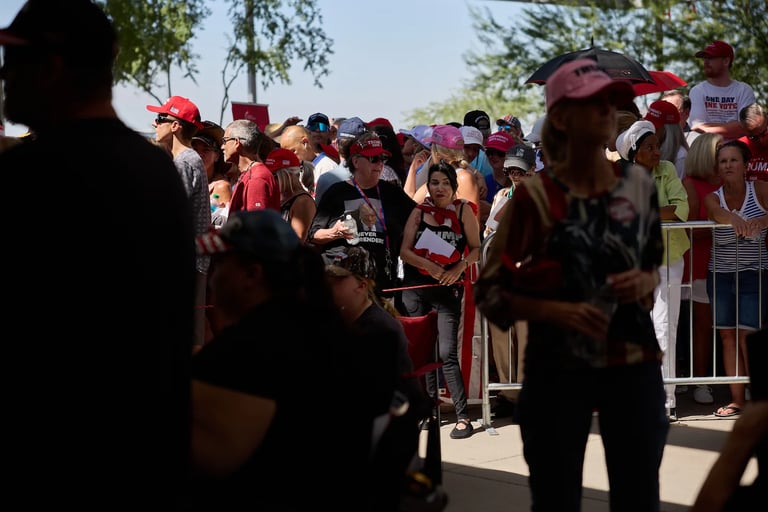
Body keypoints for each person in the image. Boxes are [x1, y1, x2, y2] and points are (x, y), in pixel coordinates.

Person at [0, 0, 195, 507]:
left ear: (53, 67)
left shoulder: (32, 178)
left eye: (14, 61)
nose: (5, 76)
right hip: (148, 457)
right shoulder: (154, 173)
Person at [475, 59, 668, 510]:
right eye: (593, 104)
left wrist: (642, 280)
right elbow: (489, 290)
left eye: (612, 103)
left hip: (632, 363)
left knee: (640, 498)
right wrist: (553, 310)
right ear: (560, 117)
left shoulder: (638, 184)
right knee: (556, 499)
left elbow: (652, 269)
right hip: (557, 371)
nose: (607, 112)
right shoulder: (536, 196)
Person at [190, 209, 369, 510]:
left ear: (251, 274)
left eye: (220, 263)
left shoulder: (243, 354)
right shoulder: (326, 333)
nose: (213, 276)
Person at [326, 245, 429, 511]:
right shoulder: (344, 321)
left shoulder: (377, 330)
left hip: (383, 438)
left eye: (336, 280)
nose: (326, 287)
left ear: (361, 286)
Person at [400, 161, 481, 439]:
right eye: (434, 183)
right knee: (423, 352)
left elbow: (476, 249)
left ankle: (462, 416)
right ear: (428, 187)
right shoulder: (418, 212)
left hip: (448, 289)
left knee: (446, 352)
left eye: (445, 183)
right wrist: (430, 266)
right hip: (417, 287)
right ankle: (428, 411)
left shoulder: (463, 210)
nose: (440, 188)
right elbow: (404, 252)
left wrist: (458, 267)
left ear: (453, 187)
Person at [616, 119, 690, 421]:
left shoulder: (668, 171)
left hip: (668, 258)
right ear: (634, 153)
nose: (657, 151)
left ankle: (665, 400)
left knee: (663, 327)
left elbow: (681, 209)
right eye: (649, 147)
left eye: (657, 145)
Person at [308, 130, 415, 304]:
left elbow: (417, 218)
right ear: (356, 161)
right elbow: (313, 235)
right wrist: (335, 232)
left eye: (382, 159)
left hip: (382, 285)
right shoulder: (336, 192)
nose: (379, 164)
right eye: (373, 159)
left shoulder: (392, 193)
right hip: (344, 284)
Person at [704, 140, 768, 418]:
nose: (728, 165)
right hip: (720, 275)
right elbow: (715, 214)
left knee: (748, 336)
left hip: (755, 272)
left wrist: (762, 221)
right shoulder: (712, 196)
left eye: (733, 160)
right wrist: (732, 219)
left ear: (745, 165)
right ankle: (737, 400)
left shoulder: (762, 189)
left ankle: (758, 399)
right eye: (723, 161)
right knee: (728, 336)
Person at [146, 95, 211, 350]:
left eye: (161, 118)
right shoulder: (189, 160)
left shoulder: (184, 162)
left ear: (176, 126)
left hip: (185, 262)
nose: (154, 123)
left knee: (183, 337)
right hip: (190, 260)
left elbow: (171, 213)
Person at [681, 133, 724, 405]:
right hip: (700, 263)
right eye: (719, 149)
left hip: (733, 261)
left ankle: (738, 379)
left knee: (734, 326)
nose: (724, 154)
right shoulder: (689, 184)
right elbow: (689, 230)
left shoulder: (732, 182)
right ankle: (701, 381)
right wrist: (722, 226)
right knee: (702, 326)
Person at [689, 40, 756, 142]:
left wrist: (707, 127)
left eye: (711, 58)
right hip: (707, 153)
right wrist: (733, 125)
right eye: (705, 58)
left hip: (738, 154)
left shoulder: (744, 90)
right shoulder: (697, 91)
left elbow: (745, 127)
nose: (706, 62)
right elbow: (697, 129)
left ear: (726, 61)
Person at [222, 119, 280, 213]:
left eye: (224, 141)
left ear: (237, 142)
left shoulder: (256, 179)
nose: (222, 147)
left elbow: (256, 224)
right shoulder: (251, 174)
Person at [264, 147, 316, 241]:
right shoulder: (282, 197)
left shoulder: (302, 201)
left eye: (274, 176)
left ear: (288, 175)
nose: (269, 180)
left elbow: (296, 242)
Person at [314, 116, 367, 204]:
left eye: (334, 132)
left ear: (337, 144)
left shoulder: (326, 179)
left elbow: (318, 215)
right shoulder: (376, 175)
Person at [192, 120, 234, 228]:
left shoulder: (221, 187)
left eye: (205, 150)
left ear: (217, 156)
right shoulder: (192, 181)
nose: (199, 154)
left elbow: (224, 227)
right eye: (195, 149)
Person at [645, 99, 690, 179]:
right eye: (647, 125)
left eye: (655, 127)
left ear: (668, 130)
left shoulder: (680, 156)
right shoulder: (648, 147)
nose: (649, 130)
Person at [738, 103, 768, 182]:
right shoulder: (738, 148)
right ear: (742, 129)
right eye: (753, 137)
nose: (761, 140)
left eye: (764, 133)